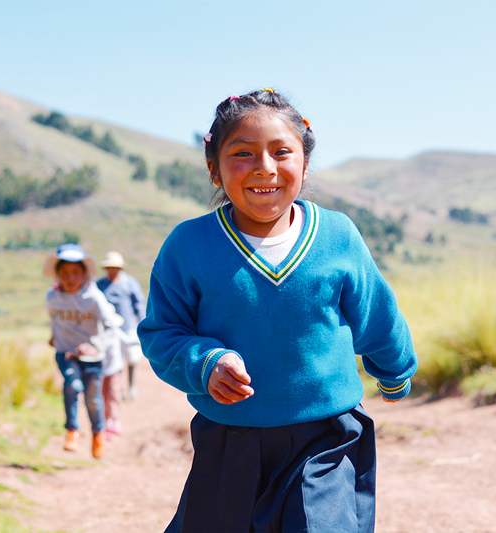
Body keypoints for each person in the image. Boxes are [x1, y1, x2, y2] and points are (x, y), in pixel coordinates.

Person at [137, 89, 418, 532]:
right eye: (243, 154)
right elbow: (162, 333)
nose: (264, 167)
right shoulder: (189, 246)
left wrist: (395, 367)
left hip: (324, 436)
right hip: (231, 439)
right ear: (214, 169)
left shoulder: (337, 237)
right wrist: (206, 364)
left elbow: (376, 311)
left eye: (281, 152)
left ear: (304, 166)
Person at [44, 243, 123, 459]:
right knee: (72, 384)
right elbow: (55, 320)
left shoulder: (94, 298)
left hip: (93, 357)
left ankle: (98, 433)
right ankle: (72, 430)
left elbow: (111, 327)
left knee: (93, 399)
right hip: (66, 353)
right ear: (57, 274)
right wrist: (54, 336)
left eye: (76, 273)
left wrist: (95, 345)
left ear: (84, 274)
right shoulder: (52, 297)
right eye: (65, 273)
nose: (70, 278)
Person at [96, 251, 147, 405]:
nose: (113, 270)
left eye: (115, 267)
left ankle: (131, 385)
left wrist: (142, 324)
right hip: (109, 330)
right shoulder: (99, 286)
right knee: (114, 359)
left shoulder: (130, 283)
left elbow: (139, 304)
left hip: (128, 327)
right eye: (110, 267)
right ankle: (120, 388)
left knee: (131, 357)